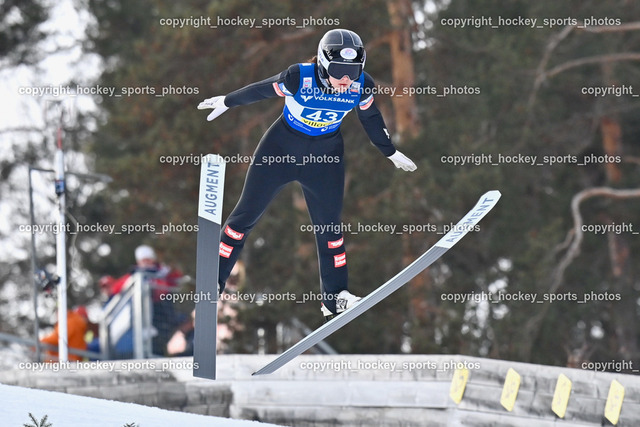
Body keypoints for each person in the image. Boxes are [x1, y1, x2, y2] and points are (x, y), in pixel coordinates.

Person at [198, 29, 416, 321]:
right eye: (338, 70)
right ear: (323, 64)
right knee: (243, 219)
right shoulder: (299, 77)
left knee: (331, 231)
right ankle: (214, 281)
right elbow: (261, 89)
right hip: (280, 151)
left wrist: (388, 150)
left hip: (324, 159)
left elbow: (371, 118)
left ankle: (335, 298)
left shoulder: (362, 87)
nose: (345, 79)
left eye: (352, 71)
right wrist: (229, 101)